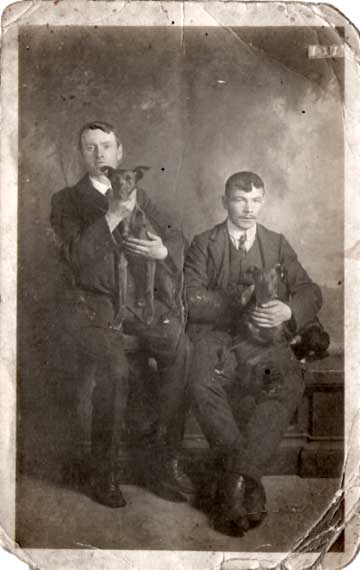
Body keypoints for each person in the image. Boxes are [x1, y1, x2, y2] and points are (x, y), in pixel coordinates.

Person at [50, 121, 193, 507]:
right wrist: (112, 216)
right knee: (115, 369)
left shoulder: (142, 194)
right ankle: (105, 472)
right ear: (81, 154)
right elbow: (75, 260)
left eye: (106, 147)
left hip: (141, 305)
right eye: (90, 148)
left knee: (180, 349)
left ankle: (163, 461)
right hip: (94, 307)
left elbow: (176, 235)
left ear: (120, 153)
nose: (99, 155)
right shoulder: (65, 202)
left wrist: (163, 252)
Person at [184, 171, 322, 535]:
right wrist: (236, 302)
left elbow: (310, 291)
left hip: (264, 342)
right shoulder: (204, 243)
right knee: (200, 383)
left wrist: (288, 311)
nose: (248, 208)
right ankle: (247, 479)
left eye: (256, 199)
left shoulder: (276, 243)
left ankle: (235, 480)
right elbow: (191, 299)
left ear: (262, 201)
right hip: (216, 338)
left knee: (288, 380)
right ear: (224, 202)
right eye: (240, 199)